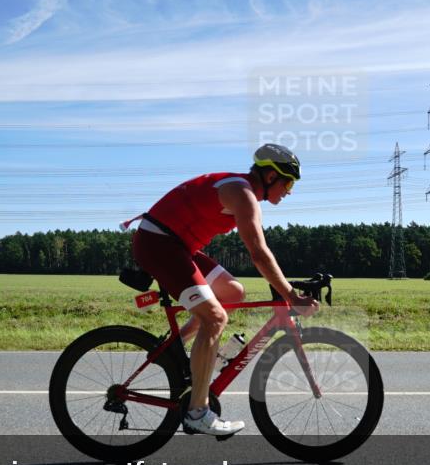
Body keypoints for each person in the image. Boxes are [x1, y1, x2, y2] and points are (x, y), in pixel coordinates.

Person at [130, 144, 318, 435]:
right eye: (288, 182)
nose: (290, 191)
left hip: (178, 246)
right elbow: (258, 252)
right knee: (215, 318)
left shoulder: (243, 190)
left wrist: (286, 289)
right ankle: (196, 412)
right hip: (160, 244)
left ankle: (179, 350)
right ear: (270, 176)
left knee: (232, 292)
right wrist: (290, 294)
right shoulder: (243, 194)